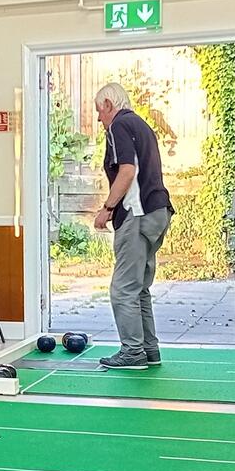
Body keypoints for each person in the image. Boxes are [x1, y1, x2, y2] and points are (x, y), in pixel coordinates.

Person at [91, 82, 175, 370]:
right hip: (158, 211)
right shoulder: (141, 125)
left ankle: (132, 352)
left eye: (99, 111)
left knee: (122, 289)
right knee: (139, 288)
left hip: (137, 214)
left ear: (109, 105)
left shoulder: (118, 126)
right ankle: (149, 350)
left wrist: (107, 209)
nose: (99, 120)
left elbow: (127, 171)